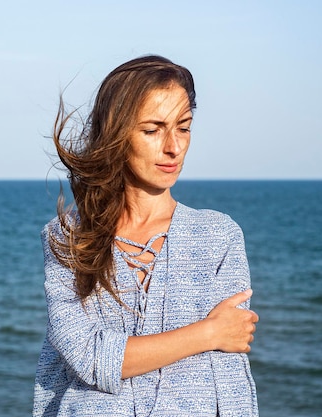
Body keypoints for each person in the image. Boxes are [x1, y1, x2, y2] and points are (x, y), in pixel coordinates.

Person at [33, 55, 259, 417]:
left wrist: (216, 336)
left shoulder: (218, 236)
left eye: (183, 127)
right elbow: (89, 357)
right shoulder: (68, 238)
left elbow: (228, 369)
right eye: (153, 130)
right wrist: (206, 333)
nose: (174, 146)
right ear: (117, 133)